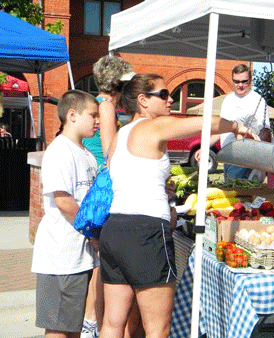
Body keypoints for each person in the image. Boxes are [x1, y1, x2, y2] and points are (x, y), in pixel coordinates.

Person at [99, 73, 258, 338]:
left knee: (113, 323)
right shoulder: (155, 127)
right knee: (157, 329)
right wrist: (237, 127)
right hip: (145, 232)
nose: (170, 98)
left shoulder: (120, 134)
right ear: (143, 100)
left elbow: (123, 176)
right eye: (163, 94)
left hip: (114, 228)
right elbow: (207, 123)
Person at [31, 90, 100, 338]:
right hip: (60, 255)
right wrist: (93, 232)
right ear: (72, 115)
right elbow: (63, 201)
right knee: (59, 328)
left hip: (79, 255)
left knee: (72, 327)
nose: (97, 121)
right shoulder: (60, 151)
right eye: (92, 115)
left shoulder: (87, 154)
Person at [81, 55, 136, 338]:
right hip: (104, 191)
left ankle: (93, 321)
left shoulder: (101, 104)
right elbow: (110, 152)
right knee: (103, 262)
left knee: (102, 261)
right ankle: (92, 321)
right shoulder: (106, 107)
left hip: (97, 188)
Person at [195, 64, 271, 181]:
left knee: (240, 195)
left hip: (246, 160)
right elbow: (221, 129)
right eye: (236, 81)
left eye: (244, 81)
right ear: (232, 80)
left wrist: (263, 160)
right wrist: (204, 147)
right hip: (228, 158)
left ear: (250, 81)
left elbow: (265, 132)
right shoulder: (228, 100)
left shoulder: (258, 100)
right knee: (232, 195)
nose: (240, 85)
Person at [83, 55, 134, 166]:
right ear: (119, 84)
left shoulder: (96, 102)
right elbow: (109, 153)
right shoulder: (106, 106)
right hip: (102, 170)